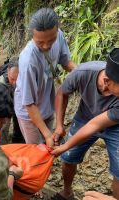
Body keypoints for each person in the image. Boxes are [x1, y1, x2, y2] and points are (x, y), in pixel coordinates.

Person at [51, 49, 119, 199]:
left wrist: (64, 146)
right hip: (85, 117)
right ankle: (67, 192)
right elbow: (62, 93)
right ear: (107, 81)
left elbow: (94, 126)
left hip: (115, 127)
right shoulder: (83, 72)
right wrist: (59, 125)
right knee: (68, 158)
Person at [14, 8, 76, 148]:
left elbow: (65, 61)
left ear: (57, 30)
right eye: (40, 42)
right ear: (32, 36)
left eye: (51, 40)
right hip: (29, 113)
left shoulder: (59, 35)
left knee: (48, 146)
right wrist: (47, 134)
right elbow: (29, 103)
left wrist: (81, 71)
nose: (46, 45)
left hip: (47, 104)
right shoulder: (28, 60)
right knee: (36, 150)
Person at [0, 57, 24, 144]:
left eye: (18, 79)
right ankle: (3, 146)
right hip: (5, 106)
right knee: (3, 127)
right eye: (12, 79)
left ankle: (17, 142)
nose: (15, 83)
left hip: (19, 105)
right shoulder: (0, 83)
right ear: (8, 71)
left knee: (20, 125)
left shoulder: (27, 78)